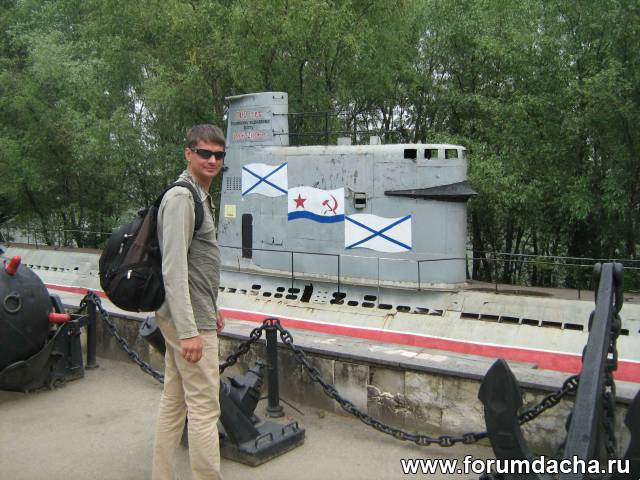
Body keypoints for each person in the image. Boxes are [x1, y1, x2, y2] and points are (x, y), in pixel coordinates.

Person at [152, 124, 226, 480]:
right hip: (190, 322)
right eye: (204, 153)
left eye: (219, 155)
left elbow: (197, 265)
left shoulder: (198, 194)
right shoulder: (183, 198)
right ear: (188, 153)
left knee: (175, 401)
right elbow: (174, 269)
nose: (212, 160)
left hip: (194, 313)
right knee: (204, 410)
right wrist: (189, 332)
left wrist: (214, 307)